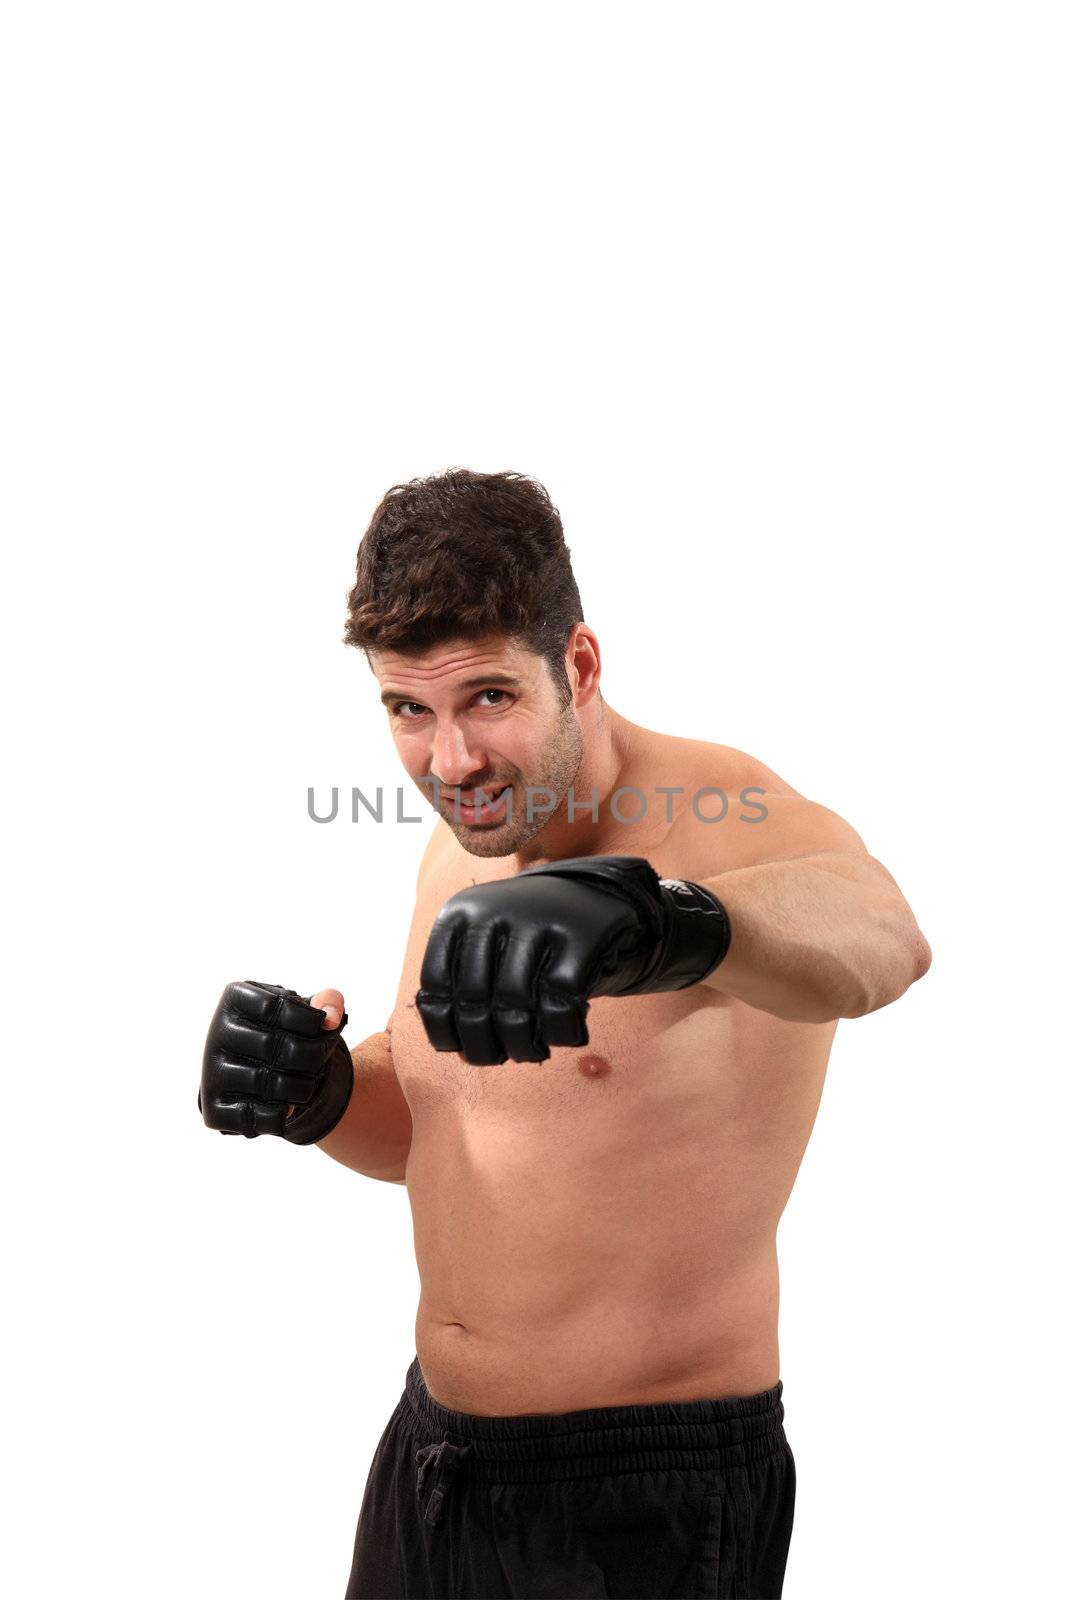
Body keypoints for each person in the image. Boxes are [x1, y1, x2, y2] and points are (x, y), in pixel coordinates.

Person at [200, 469, 931, 1599]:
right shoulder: (467, 842)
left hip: (639, 1499)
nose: (449, 762)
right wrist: (325, 1093)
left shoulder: (723, 816)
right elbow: (439, 1124)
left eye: (487, 697)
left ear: (578, 666)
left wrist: (662, 920)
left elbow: (884, 935)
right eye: (409, 710)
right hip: (434, 1458)